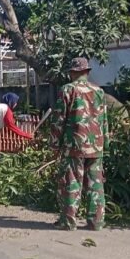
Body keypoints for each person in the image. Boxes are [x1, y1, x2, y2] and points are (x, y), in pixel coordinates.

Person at [51, 58, 109, 231]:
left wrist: (54, 144)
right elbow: (104, 119)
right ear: (87, 72)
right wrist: (104, 142)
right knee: (96, 184)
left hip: (75, 144)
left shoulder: (68, 89)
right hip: (96, 144)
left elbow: (59, 119)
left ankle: (68, 221)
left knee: (71, 182)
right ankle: (96, 221)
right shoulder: (99, 91)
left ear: (73, 72)